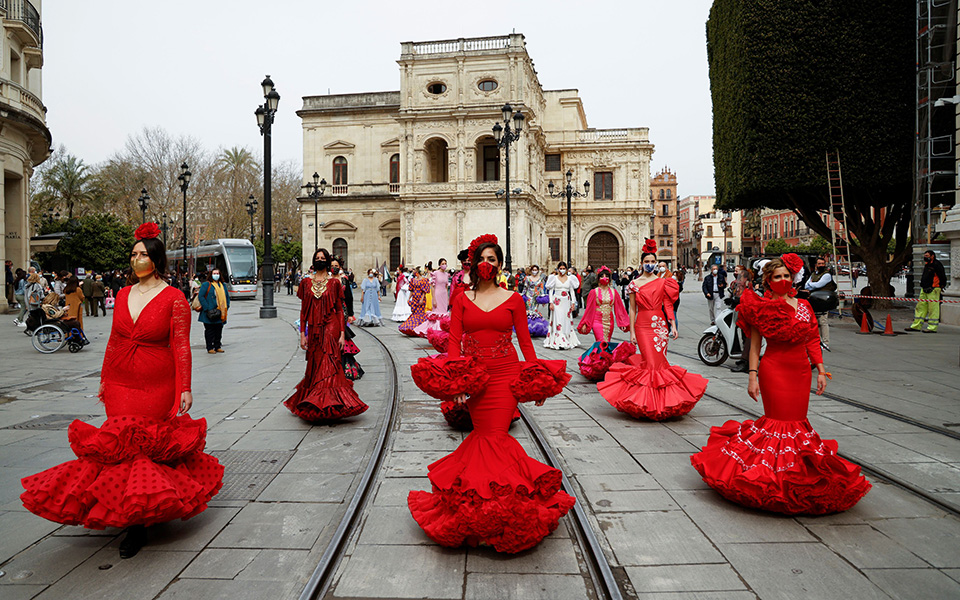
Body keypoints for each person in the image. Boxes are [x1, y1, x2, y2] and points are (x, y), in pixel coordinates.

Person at [20, 222, 223, 558]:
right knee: (121, 450)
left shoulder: (174, 299)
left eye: (143, 254)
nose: (136, 259)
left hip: (156, 385)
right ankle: (135, 515)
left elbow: (181, 347)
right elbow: (114, 340)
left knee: (145, 449)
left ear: (156, 259)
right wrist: (104, 379)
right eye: (133, 254)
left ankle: (142, 519)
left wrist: (184, 387)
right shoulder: (125, 294)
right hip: (119, 384)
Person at [407, 234, 575, 553]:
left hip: (506, 375)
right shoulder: (460, 299)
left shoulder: (513, 299)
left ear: (499, 266)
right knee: (482, 436)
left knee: (495, 436)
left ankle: (499, 513)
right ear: (473, 264)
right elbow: (453, 342)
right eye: (482, 259)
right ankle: (483, 510)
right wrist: (457, 383)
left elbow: (526, 343)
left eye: (493, 260)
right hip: (477, 378)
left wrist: (536, 379)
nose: (487, 264)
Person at [690, 254, 871, 515]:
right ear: (768, 280)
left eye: (787, 276)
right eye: (777, 277)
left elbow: (812, 339)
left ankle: (794, 475)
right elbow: (754, 346)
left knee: (798, 423)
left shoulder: (805, 307)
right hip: (773, 369)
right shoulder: (759, 307)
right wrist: (752, 376)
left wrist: (821, 370)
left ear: (793, 278)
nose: (783, 280)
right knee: (778, 424)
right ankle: (770, 480)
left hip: (800, 372)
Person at [598, 239, 707, 420]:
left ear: (656, 263)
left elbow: (667, 304)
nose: (650, 265)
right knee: (648, 362)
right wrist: (632, 331)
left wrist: (672, 324)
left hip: (659, 327)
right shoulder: (634, 283)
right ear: (641, 263)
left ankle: (661, 403)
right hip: (642, 326)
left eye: (652, 262)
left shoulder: (664, 282)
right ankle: (648, 403)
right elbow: (632, 309)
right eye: (646, 262)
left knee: (659, 363)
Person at [284, 248, 368, 422]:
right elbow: (303, 311)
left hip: (331, 327)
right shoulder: (306, 283)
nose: (320, 260)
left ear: (328, 261)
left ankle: (328, 403)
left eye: (323, 258)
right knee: (315, 363)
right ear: (314, 260)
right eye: (317, 257)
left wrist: (342, 334)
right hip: (314, 329)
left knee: (328, 361)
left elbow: (338, 310)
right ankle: (315, 400)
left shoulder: (335, 283)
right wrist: (302, 334)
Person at [577, 266, 629, 343]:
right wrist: (585, 323)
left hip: (609, 321)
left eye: (607, 276)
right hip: (597, 320)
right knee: (600, 341)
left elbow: (619, 308)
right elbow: (589, 309)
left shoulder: (614, 292)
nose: (604, 278)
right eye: (602, 276)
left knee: (607, 342)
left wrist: (623, 322)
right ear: (598, 278)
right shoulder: (594, 292)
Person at [331, 256, 363, 380]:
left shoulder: (344, 280)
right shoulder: (327, 279)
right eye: (332, 266)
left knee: (341, 334)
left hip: (342, 311)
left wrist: (350, 314)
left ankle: (344, 364)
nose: (334, 268)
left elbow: (349, 298)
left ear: (340, 267)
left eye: (336, 266)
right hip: (329, 310)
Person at [906, 250, 947, 333]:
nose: (925, 257)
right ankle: (916, 326)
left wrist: (940, 286)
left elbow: (942, 277)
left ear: (932, 256)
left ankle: (932, 327)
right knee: (920, 307)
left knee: (933, 309)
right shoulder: (927, 265)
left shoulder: (936, 265)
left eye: (927, 255)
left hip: (934, 289)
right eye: (925, 255)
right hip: (924, 288)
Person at [544, 261, 580, 349]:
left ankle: (566, 336)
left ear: (567, 269)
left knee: (566, 319)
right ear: (558, 269)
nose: (562, 270)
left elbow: (572, 291)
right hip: (557, 301)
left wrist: (573, 303)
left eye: (564, 269)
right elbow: (551, 291)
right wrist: (551, 302)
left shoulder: (570, 278)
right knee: (558, 319)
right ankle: (558, 338)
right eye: (561, 268)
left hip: (566, 301)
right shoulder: (554, 278)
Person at [804, 257, 836, 349]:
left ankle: (825, 342)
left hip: (824, 301)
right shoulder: (814, 274)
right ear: (816, 265)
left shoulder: (827, 275)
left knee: (823, 322)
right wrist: (811, 285)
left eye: (823, 263)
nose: (821, 265)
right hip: (815, 300)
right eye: (819, 264)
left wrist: (811, 284)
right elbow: (806, 285)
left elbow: (818, 285)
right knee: (816, 322)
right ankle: (818, 341)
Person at [198, 269, 230, 354]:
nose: (216, 275)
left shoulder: (222, 285)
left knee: (219, 330)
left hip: (220, 312)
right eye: (214, 273)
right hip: (209, 313)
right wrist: (207, 308)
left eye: (217, 273)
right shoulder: (206, 285)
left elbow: (227, 297)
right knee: (209, 330)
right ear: (210, 275)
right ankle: (210, 347)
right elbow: (201, 296)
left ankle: (217, 346)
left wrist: (227, 306)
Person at [399, 270, 430, 336]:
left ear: (418, 273)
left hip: (421, 298)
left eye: (416, 273)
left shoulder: (424, 280)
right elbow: (411, 290)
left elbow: (424, 291)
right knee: (415, 313)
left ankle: (419, 328)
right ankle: (412, 327)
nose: (415, 274)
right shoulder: (413, 280)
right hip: (415, 298)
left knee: (420, 314)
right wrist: (409, 298)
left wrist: (422, 299)